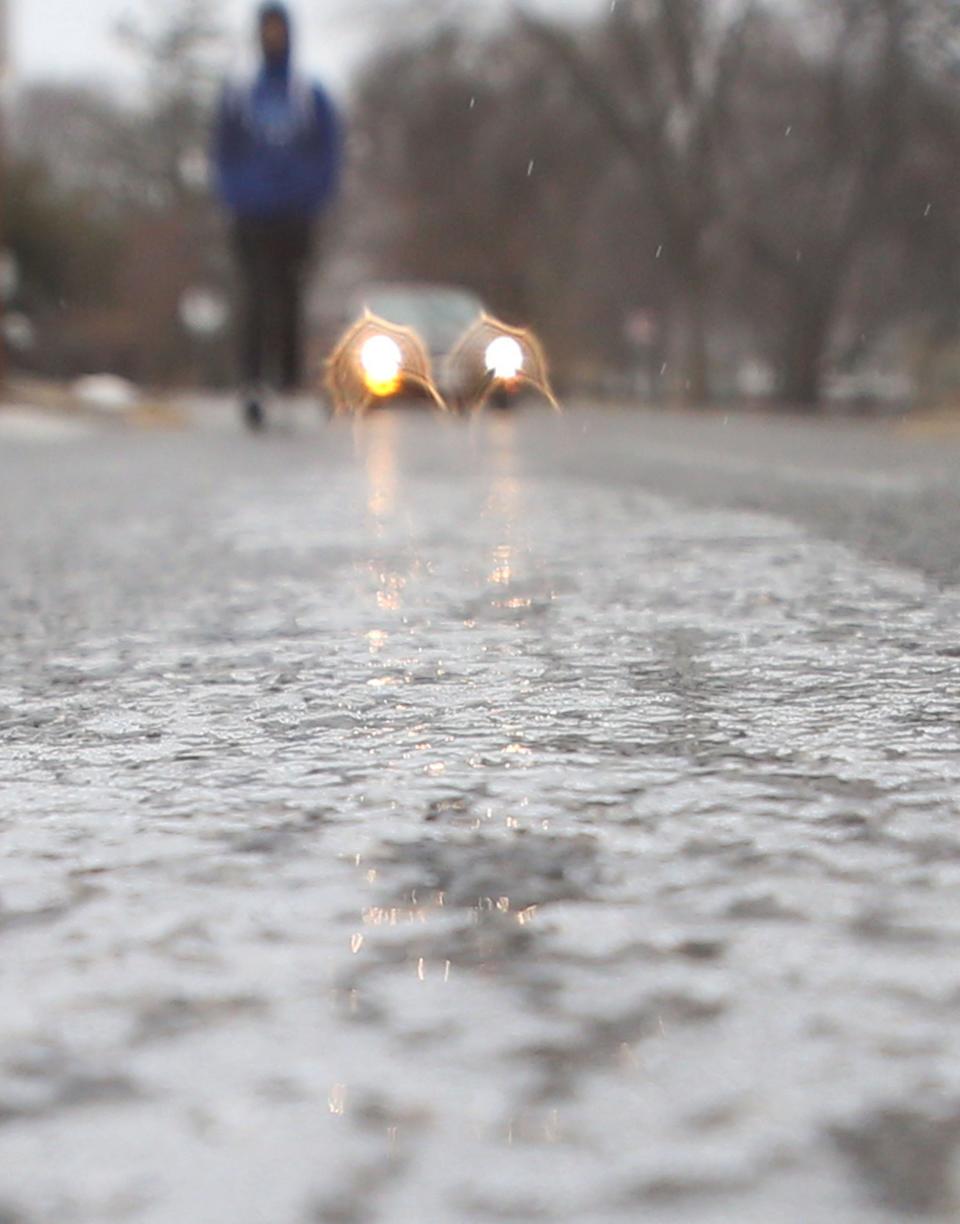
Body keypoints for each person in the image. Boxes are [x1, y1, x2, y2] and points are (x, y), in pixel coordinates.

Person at [213, 2, 340, 429]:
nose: (272, 36)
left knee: (290, 296)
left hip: (297, 214)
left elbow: (329, 152)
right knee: (253, 296)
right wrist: (236, 194)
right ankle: (252, 384)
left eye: (278, 29)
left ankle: (287, 383)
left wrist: (312, 194)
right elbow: (222, 152)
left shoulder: (308, 93)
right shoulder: (240, 94)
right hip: (250, 214)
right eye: (265, 29)